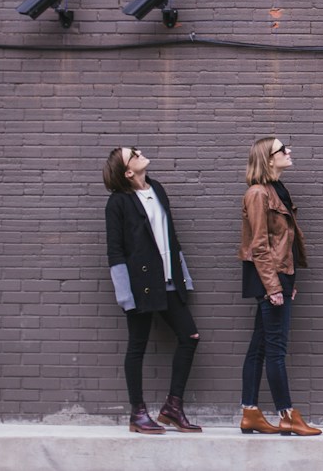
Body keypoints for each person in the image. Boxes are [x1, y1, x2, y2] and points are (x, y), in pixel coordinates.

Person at [102, 145, 202, 434]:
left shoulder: (157, 189)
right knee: (137, 345)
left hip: (169, 281)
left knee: (190, 336)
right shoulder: (118, 203)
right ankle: (138, 413)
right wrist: (125, 295)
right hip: (140, 286)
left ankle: (172, 407)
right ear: (128, 171)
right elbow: (115, 252)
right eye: (133, 153)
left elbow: (171, 236)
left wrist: (184, 277)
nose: (139, 151)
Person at [238, 135, 322, 437]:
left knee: (259, 347)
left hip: (278, 276)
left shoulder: (276, 189)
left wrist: (288, 280)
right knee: (276, 350)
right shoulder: (258, 194)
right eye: (282, 149)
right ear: (268, 159)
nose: (289, 150)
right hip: (268, 278)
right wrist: (274, 286)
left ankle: (249, 412)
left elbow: (282, 243)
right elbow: (259, 245)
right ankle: (287, 414)